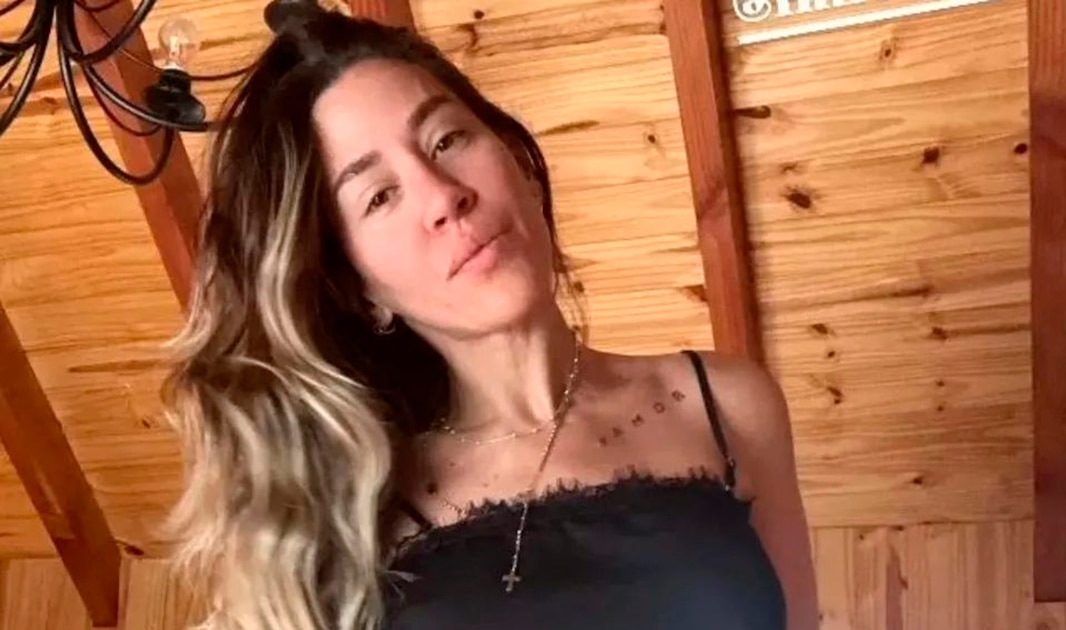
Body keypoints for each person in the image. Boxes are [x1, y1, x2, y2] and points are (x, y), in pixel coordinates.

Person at [161, 8, 818, 630]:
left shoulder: (727, 405)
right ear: (359, 290)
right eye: (380, 196)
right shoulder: (342, 515)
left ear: (517, 161)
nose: (443, 196)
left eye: (447, 140)